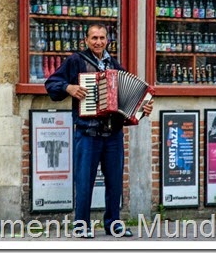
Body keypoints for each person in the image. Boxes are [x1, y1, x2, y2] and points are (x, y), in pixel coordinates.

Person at [45, 23, 153, 239]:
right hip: (87, 134)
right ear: (86, 40)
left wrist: (143, 108)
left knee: (114, 183)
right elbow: (51, 83)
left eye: (102, 38)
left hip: (113, 134)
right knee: (84, 182)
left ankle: (113, 223)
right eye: (94, 38)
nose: (98, 42)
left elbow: (131, 99)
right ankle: (81, 225)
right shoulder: (76, 61)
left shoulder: (114, 65)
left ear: (107, 40)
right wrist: (69, 88)